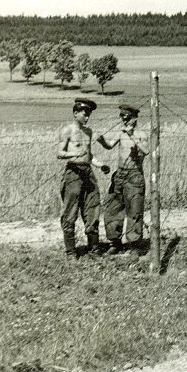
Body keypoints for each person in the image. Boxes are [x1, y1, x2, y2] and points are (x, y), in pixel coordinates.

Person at [57, 98, 111, 259]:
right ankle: (71, 252)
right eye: (84, 114)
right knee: (70, 212)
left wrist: (100, 165)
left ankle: (94, 249)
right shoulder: (67, 130)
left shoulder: (88, 132)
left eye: (88, 115)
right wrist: (75, 154)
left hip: (88, 173)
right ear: (75, 113)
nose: (87, 117)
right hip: (73, 173)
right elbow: (60, 153)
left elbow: (89, 155)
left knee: (93, 208)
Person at [97, 104, 150, 256]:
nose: (125, 121)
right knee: (113, 209)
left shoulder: (141, 134)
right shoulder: (121, 133)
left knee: (134, 211)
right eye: (122, 118)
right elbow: (109, 145)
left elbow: (146, 150)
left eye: (128, 118)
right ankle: (115, 243)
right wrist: (101, 141)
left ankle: (134, 246)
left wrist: (132, 135)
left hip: (134, 176)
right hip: (119, 175)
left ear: (135, 119)